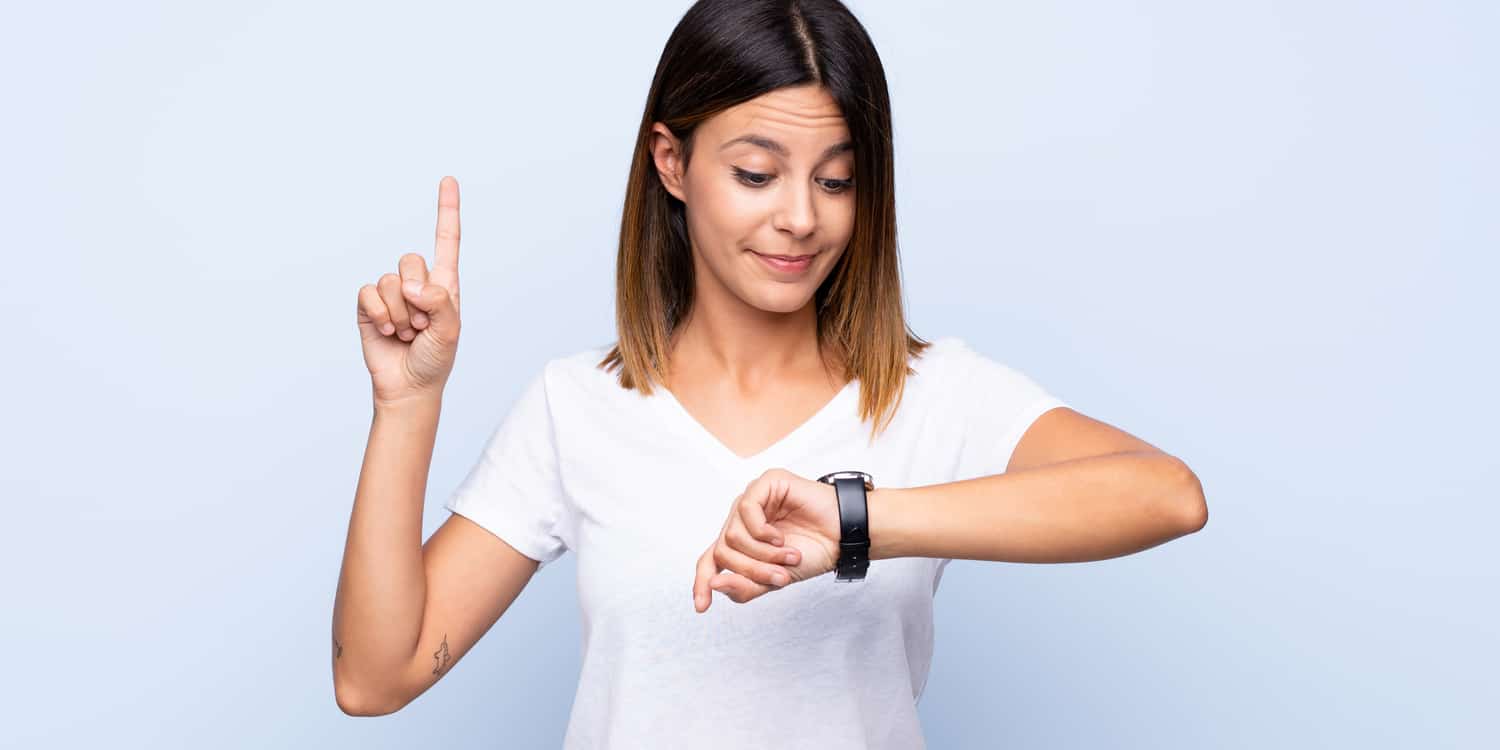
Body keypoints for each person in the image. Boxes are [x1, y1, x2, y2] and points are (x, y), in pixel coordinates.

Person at [331, 0, 1208, 746]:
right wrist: (407, 405)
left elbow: (1166, 494)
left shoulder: (936, 395)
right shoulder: (578, 406)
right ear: (671, 162)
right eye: (757, 173)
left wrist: (858, 520)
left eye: (837, 182)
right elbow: (376, 679)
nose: (800, 218)